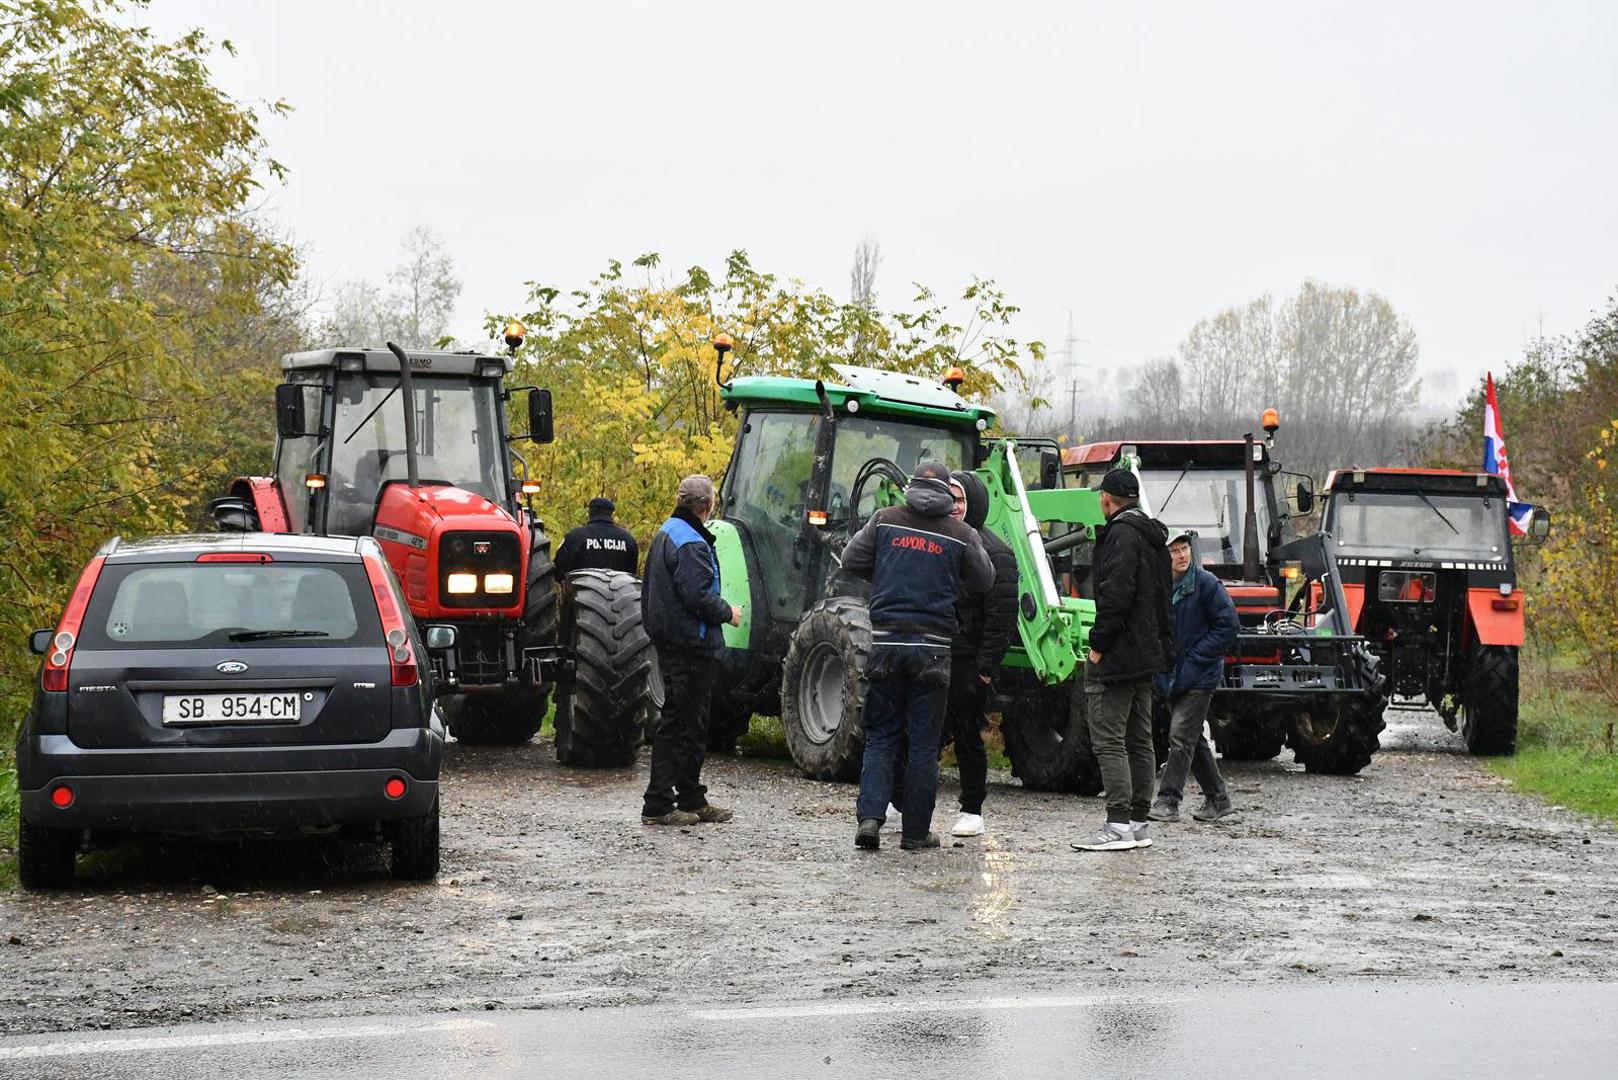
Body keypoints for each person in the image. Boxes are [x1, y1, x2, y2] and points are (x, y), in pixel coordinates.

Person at [841, 460, 993, 852]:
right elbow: (985, 579)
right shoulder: (960, 533)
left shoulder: (885, 518)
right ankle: (915, 833)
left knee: (881, 737)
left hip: (887, 645)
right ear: (946, 491)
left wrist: (893, 573)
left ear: (911, 485)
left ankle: (870, 821)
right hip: (933, 650)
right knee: (924, 743)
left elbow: (851, 560)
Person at [1071, 468, 1173, 853]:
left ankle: (1116, 825)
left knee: (1109, 741)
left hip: (1117, 656)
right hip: (1147, 656)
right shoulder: (1154, 539)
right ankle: (1137, 823)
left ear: (1107, 499)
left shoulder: (1119, 536)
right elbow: (1163, 599)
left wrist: (1098, 645)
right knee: (1139, 741)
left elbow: (1115, 596)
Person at [639, 475, 742, 827]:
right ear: (707, 505)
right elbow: (697, 595)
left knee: (692, 723)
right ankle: (658, 804)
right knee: (681, 722)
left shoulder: (669, 530)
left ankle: (692, 798)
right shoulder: (692, 543)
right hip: (691, 644)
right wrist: (728, 611)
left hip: (673, 640)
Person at [942, 469, 1018, 837]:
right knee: (919, 730)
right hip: (935, 653)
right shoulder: (936, 539)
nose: (954, 506)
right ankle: (898, 799)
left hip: (969, 660)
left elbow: (1001, 616)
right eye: (949, 498)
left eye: (960, 500)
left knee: (967, 735)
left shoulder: (996, 553)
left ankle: (972, 808)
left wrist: (984, 669)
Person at [1149, 532, 1239, 823]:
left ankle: (1168, 801)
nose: (1181, 555)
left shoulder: (1206, 584)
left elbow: (1228, 626)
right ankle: (1218, 799)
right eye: (1174, 550)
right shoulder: (1160, 588)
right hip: (1173, 677)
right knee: (1190, 737)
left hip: (1201, 675)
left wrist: (1196, 657)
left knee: (1180, 735)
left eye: (1184, 548)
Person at [554, 497, 639, 576]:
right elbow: (631, 574)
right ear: (611, 514)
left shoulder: (575, 537)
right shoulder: (628, 540)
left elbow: (559, 569)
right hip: (620, 591)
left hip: (581, 590)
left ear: (589, 513)